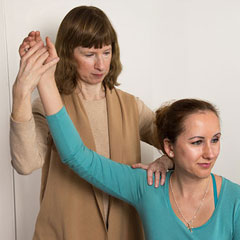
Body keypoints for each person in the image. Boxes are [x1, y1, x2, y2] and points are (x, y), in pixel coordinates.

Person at [10, 6, 173, 240]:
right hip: (64, 232)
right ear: (67, 54)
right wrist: (21, 93)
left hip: (125, 232)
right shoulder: (47, 107)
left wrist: (165, 161)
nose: (101, 65)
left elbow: (180, 145)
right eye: (89, 54)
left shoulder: (131, 106)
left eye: (106, 52)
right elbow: (25, 164)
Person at [38, 70, 240, 240]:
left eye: (215, 139)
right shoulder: (147, 185)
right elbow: (78, 157)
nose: (210, 153)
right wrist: (46, 81)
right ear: (169, 148)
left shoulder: (235, 199)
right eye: (197, 142)